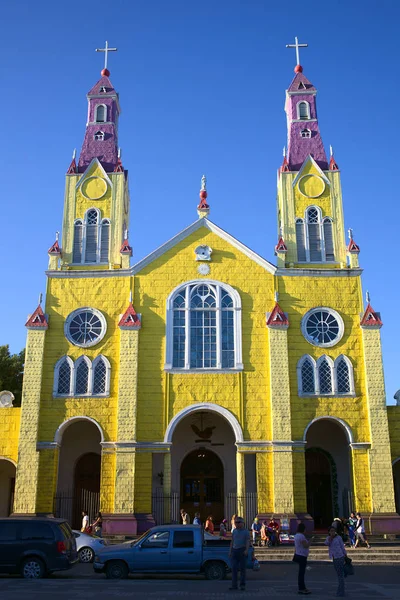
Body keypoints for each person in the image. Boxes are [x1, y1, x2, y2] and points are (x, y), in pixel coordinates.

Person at [229, 516, 250, 591]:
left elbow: (247, 541)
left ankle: (242, 585)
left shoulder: (246, 532)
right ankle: (234, 585)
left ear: (242, 523)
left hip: (242, 551)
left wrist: (246, 550)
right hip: (234, 551)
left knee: (242, 569)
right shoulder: (234, 531)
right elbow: (232, 541)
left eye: (238, 522)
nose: (236, 524)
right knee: (234, 569)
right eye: (235, 522)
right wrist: (230, 551)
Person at [325, 526, 347, 597]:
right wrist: (331, 537)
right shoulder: (328, 538)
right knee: (339, 575)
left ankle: (341, 592)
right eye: (331, 531)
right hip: (334, 557)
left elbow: (342, 547)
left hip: (340, 556)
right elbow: (326, 543)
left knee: (340, 576)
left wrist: (345, 555)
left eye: (333, 531)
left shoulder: (339, 538)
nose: (332, 532)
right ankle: (341, 591)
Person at [293, 523, 312, 595]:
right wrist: (310, 541)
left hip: (298, 554)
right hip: (302, 556)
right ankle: (302, 588)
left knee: (301, 573)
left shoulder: (296, 535)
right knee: (301, 573)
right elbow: (306, 545)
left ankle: (302, 587)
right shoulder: (301, 536)